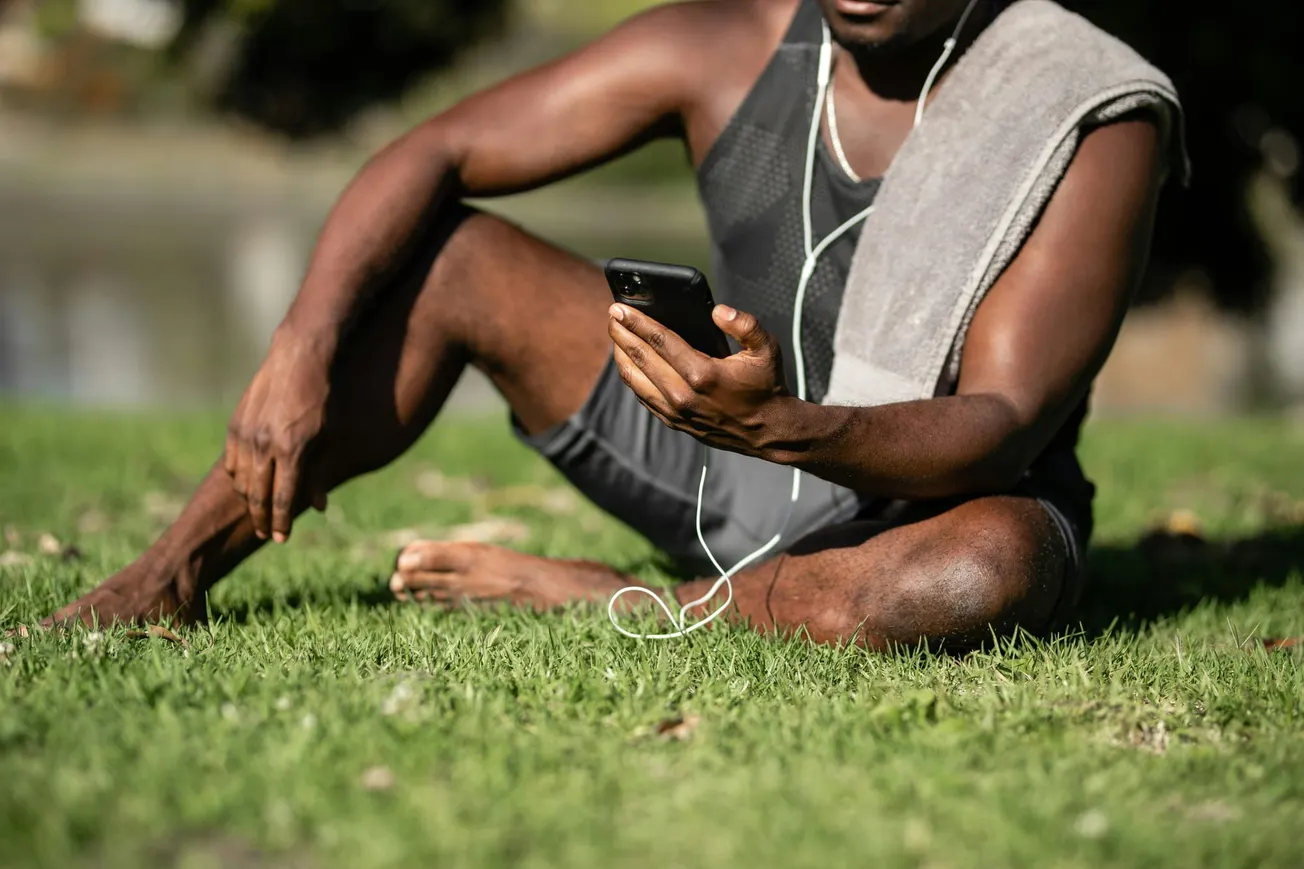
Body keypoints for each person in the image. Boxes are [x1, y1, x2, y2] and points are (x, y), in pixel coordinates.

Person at [44, 0, 1171, 649]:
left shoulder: (1083, 107)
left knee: (986, 565)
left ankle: (614, 596)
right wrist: (300, 343)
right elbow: (436, 152)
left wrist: (782, 423)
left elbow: (1004, 419)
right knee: (460, 257)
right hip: (717, 464)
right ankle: (170, 577)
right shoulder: (724, 46)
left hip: (926, 502)